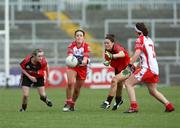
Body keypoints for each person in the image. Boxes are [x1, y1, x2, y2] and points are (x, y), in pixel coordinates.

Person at [124, 22, 175, 113]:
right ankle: (169, 106)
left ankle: (134, 107)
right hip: (154, 69)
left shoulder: (140, 39)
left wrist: (129, 65)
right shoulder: (149, 40)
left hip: (147, 68)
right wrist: (137, 65)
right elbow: (147, 56)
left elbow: (137, 53)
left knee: (128, 83)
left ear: (136, 31)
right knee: (152, 91)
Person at [100, 34, 132, 110]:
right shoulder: (107, 51)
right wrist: (107, 62)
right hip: (118, 69)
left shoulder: (117, 47)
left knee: (114, 80)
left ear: (113, 43)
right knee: (119, 85)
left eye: (108, 43)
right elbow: (108, 60)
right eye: (105, 43)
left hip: (128, 68)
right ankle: (118, 101)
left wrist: (112, 56)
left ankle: (108, 102)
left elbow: (122, 54)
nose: (106, 44)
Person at [63, 29, 90, 112]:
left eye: (81, 35)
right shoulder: (71, 45)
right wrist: (75, 61)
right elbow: (70, 57)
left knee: (77, 89)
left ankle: (72, 104)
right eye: (77, 35)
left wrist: (81, 61)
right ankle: (68, 102)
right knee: (70, 83)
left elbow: (85, 60)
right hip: (72, 67)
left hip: (83, 68)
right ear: (75, 37)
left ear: (83, 37)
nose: (79, 37)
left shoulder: (86, 46)